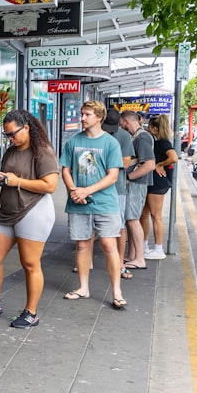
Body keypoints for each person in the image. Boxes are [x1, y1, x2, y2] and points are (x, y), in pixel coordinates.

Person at [0, 110, 59, 328]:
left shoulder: (42, 151)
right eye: (7, 135)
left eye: (13, 134)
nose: (10, 138)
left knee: (29, 263)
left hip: (33, 210)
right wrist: (3, 178)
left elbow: (50, 185)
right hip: (8, 210)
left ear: (26, 127)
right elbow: (9, 175)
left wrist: (17, 181)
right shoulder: (11, 151)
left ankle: (31, 312)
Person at [60, 101, 127, 310]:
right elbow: (65, 170)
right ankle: (83, 287)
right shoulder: (73, 142)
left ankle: (117, 291)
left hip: (105, 202)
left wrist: (86, 191)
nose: (82, 118)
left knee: (109, 245)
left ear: (99, 117)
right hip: (78, 202)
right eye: (82, 114)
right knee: (82, 245)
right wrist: (74, 191)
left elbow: (113, 176)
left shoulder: (110, 143)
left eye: (87, 114)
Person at [97, 107, 135, 278]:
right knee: (89, 226)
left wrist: (102, 161)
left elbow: (126, 162)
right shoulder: (94, 134)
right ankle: (85, 262)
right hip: (94, 185)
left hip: (117, 188)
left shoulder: (124, 136)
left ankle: (119, 263)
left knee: (119, 226)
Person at [120, 110, 155, 270]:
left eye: (121, 124)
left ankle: (140, 258)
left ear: (126, 122)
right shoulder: (138, 136)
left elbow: (149, 164)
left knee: (133, 220)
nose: (120, 127)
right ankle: (133, 255)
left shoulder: (142, 138)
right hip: (135, 184)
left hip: (136, 184)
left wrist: (129, 177)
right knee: (130, 219)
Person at [142, 114, 177, 260]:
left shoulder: (163, 143)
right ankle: (143, 245)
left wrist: (159, 164)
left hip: (158, 183)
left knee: (156, 216)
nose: (148, 129)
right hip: (152, 182)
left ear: (155, 128)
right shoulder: (157, 142)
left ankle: (158, 248)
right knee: (143, 214)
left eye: (150, 127)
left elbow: (173, 157)